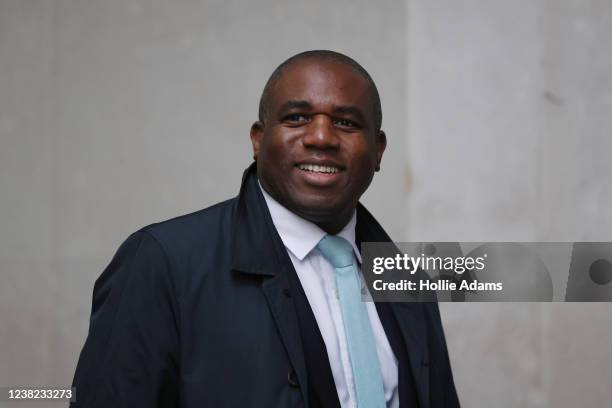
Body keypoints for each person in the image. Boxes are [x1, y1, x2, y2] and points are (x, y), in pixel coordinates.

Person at [71, 50, 459, 408]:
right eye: (296, 118)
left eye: (345, 122)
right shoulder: (162, 262)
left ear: (378, 151)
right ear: (258, 139)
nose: (321, 137)